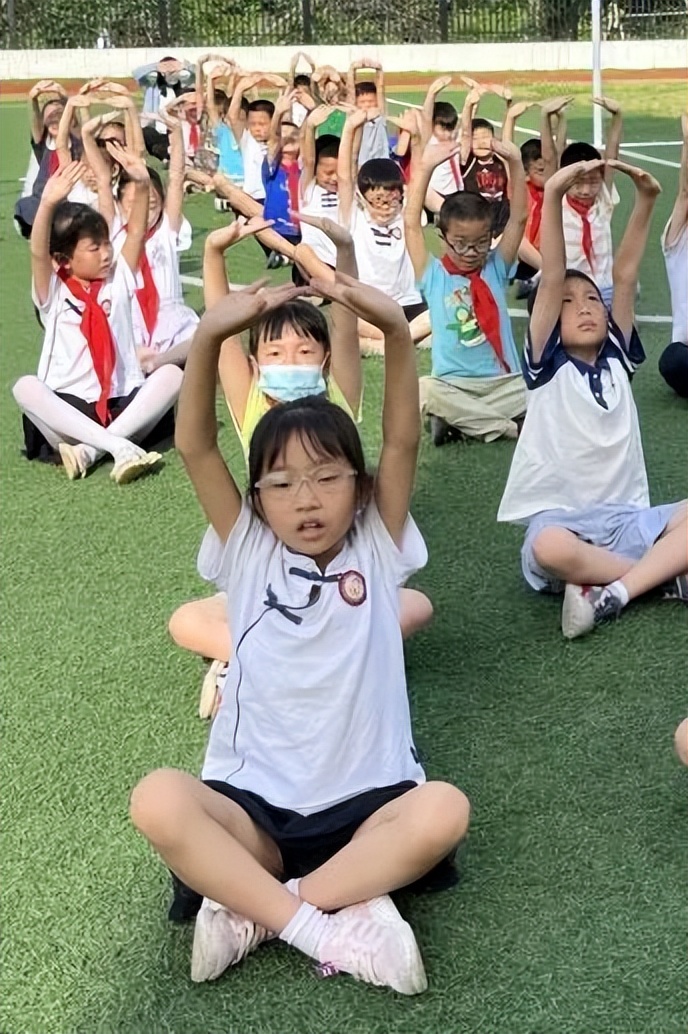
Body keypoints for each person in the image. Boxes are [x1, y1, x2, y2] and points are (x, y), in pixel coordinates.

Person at [130, 273, 470, 993]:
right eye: (280, 484)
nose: (306, 499)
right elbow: (195, 446)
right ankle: (327, 922)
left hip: (368, 802)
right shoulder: (249, 551)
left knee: (445, 809)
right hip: (253, 806)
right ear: (256, 500)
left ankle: (257, 910)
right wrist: (213, 335)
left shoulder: (377, 546)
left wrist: (399, 336)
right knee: (156, 798)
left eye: (327, 477)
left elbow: (404, 437)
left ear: (362, 485)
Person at [497, 158, 688, 638]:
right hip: (563, 523)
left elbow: (624, 275)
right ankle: (656, 577)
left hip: (626, 518)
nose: (583, 308)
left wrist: (645, 202)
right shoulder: (547, 366)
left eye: (591, 302)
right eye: (567, 303)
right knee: (549, 550)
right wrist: (556, 195)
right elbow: (556, 275)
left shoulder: (618, 358)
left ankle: (614, 590)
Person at [12, 155, 182, 484]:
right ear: (64, 258)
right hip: (69, 407)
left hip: (122, 402)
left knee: (172, 376)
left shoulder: (118, 276)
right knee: (25, 387)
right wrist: (47, 202)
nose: (106, 253)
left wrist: (144, 184)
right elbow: (37, 252)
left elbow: (134, 233)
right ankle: (116, 447)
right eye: (94, 248)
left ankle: (92, 451)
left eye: (106, 243)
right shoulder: (54, 289)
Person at [404, 134, 527, 445]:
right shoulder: (434, 274)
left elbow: (519, 218)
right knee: (422, 389)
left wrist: (514, 162)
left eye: (481, 242)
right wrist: (427, 166)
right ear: (443, 237)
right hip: (454, 386)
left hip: (504, 384)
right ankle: (507, 428)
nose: (472, 251)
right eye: (461, 243)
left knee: (545, 387)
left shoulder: (495, 268)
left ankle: (461, 423)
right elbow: (410, 224)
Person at [338, 109, 428, 354]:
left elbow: (419, 175)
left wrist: (416, 138)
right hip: (370, 305)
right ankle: (404, 339)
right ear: (362, 197)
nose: (386, 207)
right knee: (344, 318)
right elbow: (345, 177)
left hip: (409, 303)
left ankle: (386, 343)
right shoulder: (354, 215)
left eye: (392, 200)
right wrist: (349, 128)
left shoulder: (407, 215)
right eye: (378, 200)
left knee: (445, 313)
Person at [552, 96, 623, 309]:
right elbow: (553, 156)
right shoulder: (559, 203)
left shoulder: (603, 200)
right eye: (579, 183)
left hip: (605, 289)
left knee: (621, 334)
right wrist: (555, 118)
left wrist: (617, 116)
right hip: (571, 289)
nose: (586, 190)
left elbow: (612, 155)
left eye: (593, 182)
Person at [658, 113, 688, 398]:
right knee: (673, 360)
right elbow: (685, 192)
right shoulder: (677, 243)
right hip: (686, 351)